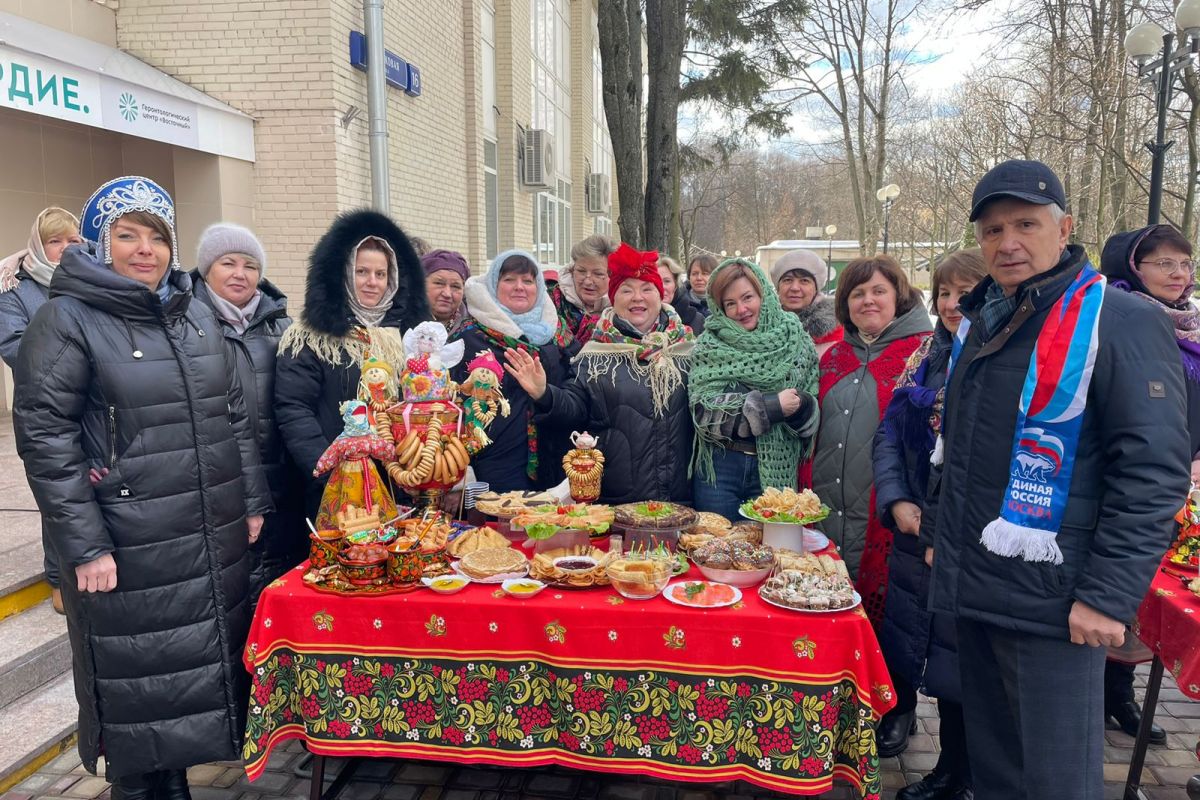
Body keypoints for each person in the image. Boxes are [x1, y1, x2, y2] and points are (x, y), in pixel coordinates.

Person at [924, 160, 1189, 800]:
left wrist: (1107, 596)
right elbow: (959, 448)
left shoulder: (1119, 321)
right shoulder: (985, 318)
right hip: (980, 586)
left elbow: (1152, 471)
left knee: (1055, 781)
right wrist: (940, 536)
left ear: (1064, 226)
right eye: (991, 230)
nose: (1006, 242)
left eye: (1025, 224)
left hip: (1060, 600)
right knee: (998, 775)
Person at [12, 176, 272, 800]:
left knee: (183, 692)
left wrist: (252, 501)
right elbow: (46, 439)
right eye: (127, 235)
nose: (144, 250)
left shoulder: (194, 315)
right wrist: (85, 545)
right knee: (135, 696)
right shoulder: (65, 319)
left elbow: (232, 415)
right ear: (100, 243)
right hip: (126, 545)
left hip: (200, 535)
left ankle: (174, 787)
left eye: (157, 236)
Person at [872, 249, 986, 794]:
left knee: (964, 664)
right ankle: (945, 768)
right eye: (944, 293)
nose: (953, 304)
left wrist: (938, 522)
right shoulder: (927, 356)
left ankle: (964, 773)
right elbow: (889, 435)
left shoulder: (1000, 357)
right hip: (914, 529)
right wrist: (895, 500)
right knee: (923, 647)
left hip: (965, 537)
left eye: (967, 293)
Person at [1099, 222, 1200, 744]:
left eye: (1184, 263)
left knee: (1151, 595)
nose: (1178, 274)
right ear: (1132, 267)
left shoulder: (1192, 329)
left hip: (1180, 486)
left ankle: (1120, 691)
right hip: (1123, 482)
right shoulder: (1113, 320)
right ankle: (1091, 691)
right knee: (1113, 587)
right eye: (1164, 262)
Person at [508, 243, 696, 503]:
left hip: (681, 498)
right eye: (626, 290)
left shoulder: (689, 349)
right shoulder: (596, 353)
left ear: (660, 295)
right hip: (617, 499)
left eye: (646, 289)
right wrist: (544, 393)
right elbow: (575, 407)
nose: (637, 297)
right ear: (614, 298)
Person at [275, 210, 429, 519]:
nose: (372, 282)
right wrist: (330, 469)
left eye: (381, 274)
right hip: (337, 485)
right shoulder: (310, 337)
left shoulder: (407, 338)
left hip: (399, 481)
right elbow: (294, 408)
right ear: (343, 273)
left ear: (394, 278)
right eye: (361, 272)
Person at [809, 255, 931, 618]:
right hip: (826, 511)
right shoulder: (833, 358)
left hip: (889, 515)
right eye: (857, 293)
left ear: (899, 296)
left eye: (879, 291)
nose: (868, 301)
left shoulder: (924, 354)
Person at [191, 223, 303, 602]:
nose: (240, 274)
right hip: (220, 477)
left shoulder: (282, 326)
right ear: (207, 269)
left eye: (250, 265)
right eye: (228, 263)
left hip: (280, 476)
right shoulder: (186, 324)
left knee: (279, 580)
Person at [689, 259, 820, 520]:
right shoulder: (708, 346)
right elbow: (703, 414)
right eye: (730, 303)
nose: (742, 309)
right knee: (717, 552)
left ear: (763, 294)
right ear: (720, 308)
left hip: (775, 471)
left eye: (748, 297)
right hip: (720, 469)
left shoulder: (796, 339)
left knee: (773, 554)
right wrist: (770, 407)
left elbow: (812, 411)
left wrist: (800, 406)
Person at [0, 206, 83, 614]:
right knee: (59, 498)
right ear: (39, 244)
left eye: (72, 240)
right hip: (44, 415)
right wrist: (81, 359)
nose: (65, 249)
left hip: (93, 407)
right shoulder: (13, 287)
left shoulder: (91, 282)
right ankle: (59, 581)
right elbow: (16, 348)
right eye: (55, 241)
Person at [452, 249, 573, 491]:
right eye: (508, 280)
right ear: (493, 285)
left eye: (528, 281)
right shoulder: (468, 338)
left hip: (553, 470)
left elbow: (576, 400)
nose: (520, 287)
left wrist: (544, 394)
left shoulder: (559, 335)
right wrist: (460, 473)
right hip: (491, 470)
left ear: (538, 287)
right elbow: (451, 408)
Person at [770, 249, 843, 357]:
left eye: (804, 281)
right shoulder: (761, 326)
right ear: (778, 287)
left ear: (816, 289)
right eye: (787, 280)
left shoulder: (835, 336)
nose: (795, 288)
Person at [550, 234, 616, 344]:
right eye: (581, 271)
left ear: (614, 276)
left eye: (598, 274)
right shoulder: (551, 301)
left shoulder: (624, 308)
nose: (588, 281)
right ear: (572, 271)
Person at [423, 248, 469, 332]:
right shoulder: (401, 323)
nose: (447, 294)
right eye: (439, 283)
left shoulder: (476, 331)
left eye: (455, 286)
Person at [657, 254, 705, 333]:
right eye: (656, 281)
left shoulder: (697, 320)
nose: (662, 287)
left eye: (667, 281)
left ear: (675, 285)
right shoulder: (637, 319)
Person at [686, 253, 718, 318]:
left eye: (705, 274)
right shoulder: (680, 304)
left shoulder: (725, 304)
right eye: (694, 274)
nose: (699, 278)